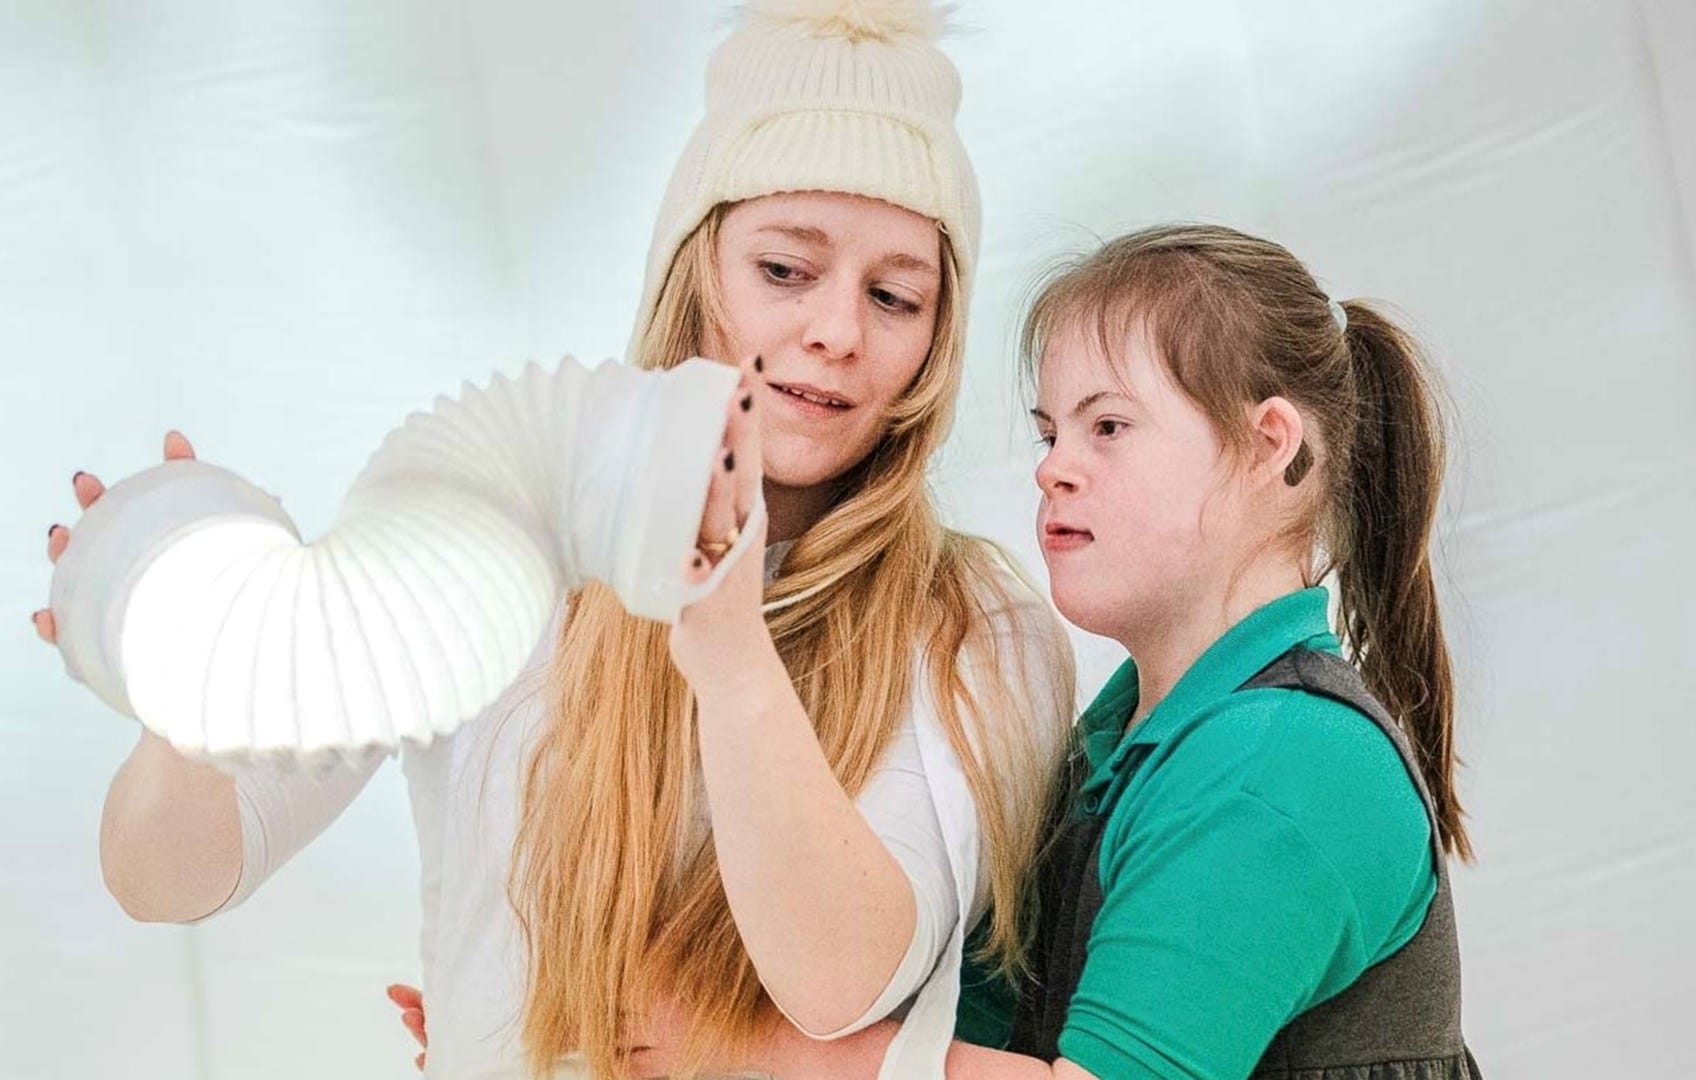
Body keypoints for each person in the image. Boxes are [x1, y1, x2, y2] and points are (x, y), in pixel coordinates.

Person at [33, 2, 1076, 1077]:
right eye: (783, 271)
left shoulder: (975, 629)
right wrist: (191, 681)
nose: (838, 331)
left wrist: (728, 656)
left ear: (937, 337)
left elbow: (839, 982)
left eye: (894, 295)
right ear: (694, 271)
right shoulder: (486, 538)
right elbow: (167, 877)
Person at [618, 224, 1482, 1078]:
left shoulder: (1278, 765)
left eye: (1107, 427)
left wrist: (755, 1050)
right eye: (1049, 433)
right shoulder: (1115, 750)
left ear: (1267, 447)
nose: (1054, 469)